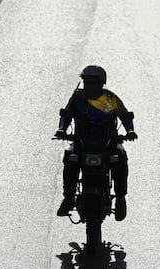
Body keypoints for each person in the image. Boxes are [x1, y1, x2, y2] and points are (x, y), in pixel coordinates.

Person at [54, 65, 137, 221]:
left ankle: (120, 199)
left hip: (107, 144)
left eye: (93, 82)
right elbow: (66, 114)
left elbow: (125, 115)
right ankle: (69, 198)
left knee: (120, 158)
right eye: (87, 82)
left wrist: (130, 131)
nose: (90, 86)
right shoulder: (77, 98)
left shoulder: (110, 99)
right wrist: (61, 129)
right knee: (70, 159)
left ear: (101, 83)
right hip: (82, 143)